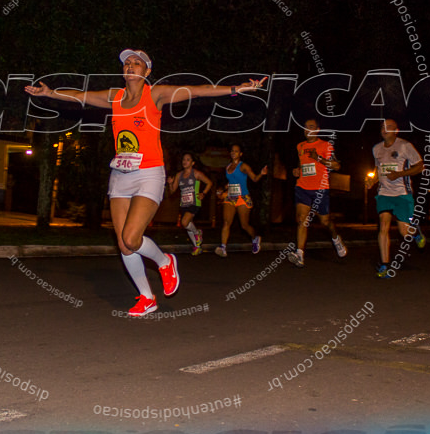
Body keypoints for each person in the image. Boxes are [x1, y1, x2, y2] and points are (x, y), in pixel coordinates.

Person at [26, 49, 266, 316]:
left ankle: (165, 262)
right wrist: (49, 93)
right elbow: (82, 96)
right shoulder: (115, 97)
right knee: (123, 243)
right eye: (127, 63)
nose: (130, 66)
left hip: (149, 173)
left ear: (146, 71)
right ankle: (146, 297)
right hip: (120, 174)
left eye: (136, 63)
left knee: (132, 236)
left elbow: (197, 90)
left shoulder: (155, 94)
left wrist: (236, 88)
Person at [365, 119, 426, 278]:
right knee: (383, 226)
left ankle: (415, 230)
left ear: (396, 130)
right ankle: (384, 265)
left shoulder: (405, 146)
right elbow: (378, 169)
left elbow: (420, 166)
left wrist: (399, 174)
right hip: (384, 193)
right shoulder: (376, 149)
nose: (385, 130)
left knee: (404, 231)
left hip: (402, 193)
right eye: (382, 127)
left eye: (389, 127)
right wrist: (373, 180)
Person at [287, 119, 346, 267]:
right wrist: (297, 170)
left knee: (325, 222)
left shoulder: (325, 145)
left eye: (311, 127)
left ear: (318, 130)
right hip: (302, 187)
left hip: (320, 189)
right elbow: (302, 165)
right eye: (305, 127)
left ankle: (336, 239)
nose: (308, 130)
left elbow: (336, 165)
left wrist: (318, 158)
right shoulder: (300, 146)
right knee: (302, 219)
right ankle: (299, 254)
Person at [217, 144, 267, 257]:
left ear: (240, 154)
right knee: (226, 222)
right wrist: (223, 189)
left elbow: (254, 179)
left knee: (244, 225)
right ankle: (223, 247)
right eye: (232, 151)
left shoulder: (243, 166)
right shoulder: (228, 167)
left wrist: (261, 174)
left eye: (236, 151)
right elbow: (231, 182)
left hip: (243, 198)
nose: (233, 152)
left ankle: (255, 238)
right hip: (230, 197)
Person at [167, 152, 213, 256]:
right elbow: (172, 191)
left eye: (188, 160)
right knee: (187, 225)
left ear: (192, 163)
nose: (185, 161)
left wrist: (203, 193)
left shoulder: (196, 173)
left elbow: (209, 183)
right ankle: (197, 246)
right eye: (184, 159)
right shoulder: (179, 175)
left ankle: (197, 233)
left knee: (184, 222)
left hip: (194, 202)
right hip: (184, 203)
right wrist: (170, 183)